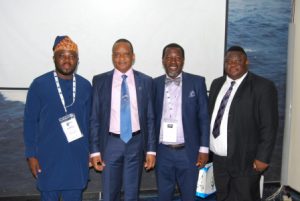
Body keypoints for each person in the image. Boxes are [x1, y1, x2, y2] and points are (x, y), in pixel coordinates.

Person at [23, 36, 92, 201]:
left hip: (77, 159)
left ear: (77, 60)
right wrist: (31, 155)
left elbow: (90, 123)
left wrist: (92, 151)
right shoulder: (39, 84)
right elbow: (29, 122)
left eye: (71, 56)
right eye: (62, 55)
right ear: (54, 58)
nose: (67, 60)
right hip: (47, 159)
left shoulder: (85, 85)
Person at [209, 46, 278, 201]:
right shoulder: (216, 84)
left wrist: (263, 158)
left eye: (237, 61)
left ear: (247, 62)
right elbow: (211, 117)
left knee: (244, 197)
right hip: (219, 160)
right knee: (222, 197)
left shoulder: (263, 87)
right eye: (228, 61)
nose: (232, 64)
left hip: (246, 161)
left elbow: (269, 126)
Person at [89, 38, 156, 201]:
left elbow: (150, 118)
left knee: (132, 194)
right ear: (112, 57)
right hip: (111, 144)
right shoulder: (100, 81)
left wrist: (151, 150)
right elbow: (94, 118)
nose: (121, 58)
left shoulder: (146, 81)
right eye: (117, 55)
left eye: (126, 54)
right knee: (110, 193)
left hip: (136, 142)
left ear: (133, 57)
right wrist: (95, 150)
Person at [153, 43, 210, 201]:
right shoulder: (154, 84)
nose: (173, 61)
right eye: (169, 57)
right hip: (162, 151)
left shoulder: (197, 82)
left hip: (189, 151)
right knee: (163, 196)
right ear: (163, 60)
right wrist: (150, 149)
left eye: (177, 58)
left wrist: (204, 149)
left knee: (189, 196)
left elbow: (204, 117)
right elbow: (150, 119)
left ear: (183, 61)